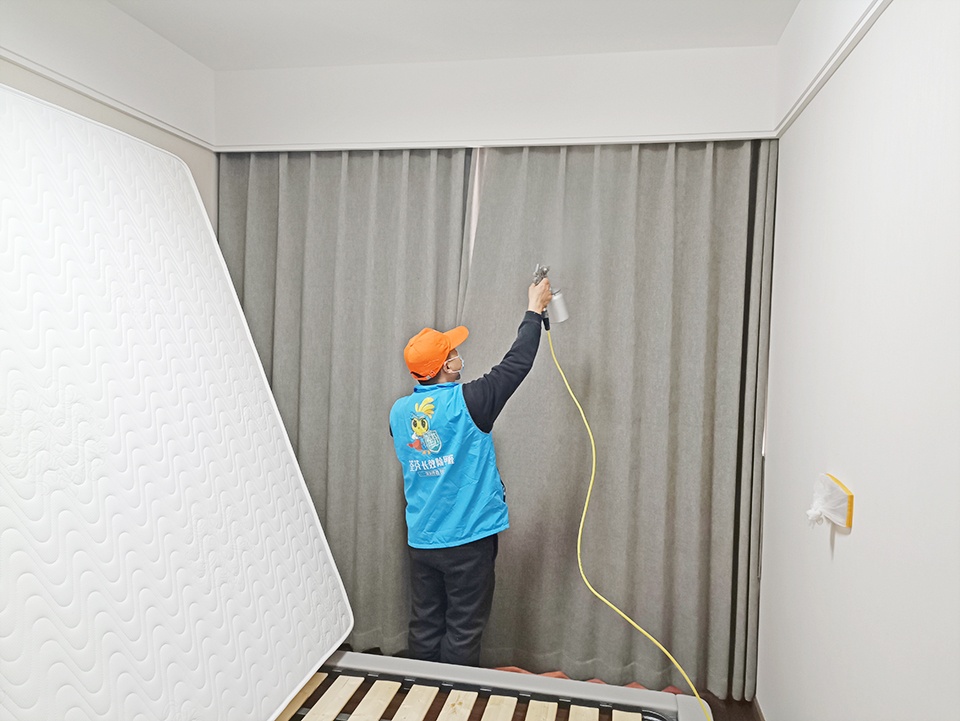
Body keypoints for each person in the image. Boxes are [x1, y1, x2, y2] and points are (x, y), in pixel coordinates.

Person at [389, 278, 553, 666]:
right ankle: (451, 696)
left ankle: (421, 694)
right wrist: (534, 310)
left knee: (425, 626)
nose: (459, 356)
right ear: (447, 366)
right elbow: (516, 363)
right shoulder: (470, 402)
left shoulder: (398, 413)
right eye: (455, 353)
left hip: (423, 542)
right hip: (468, 542)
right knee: (462, 630)